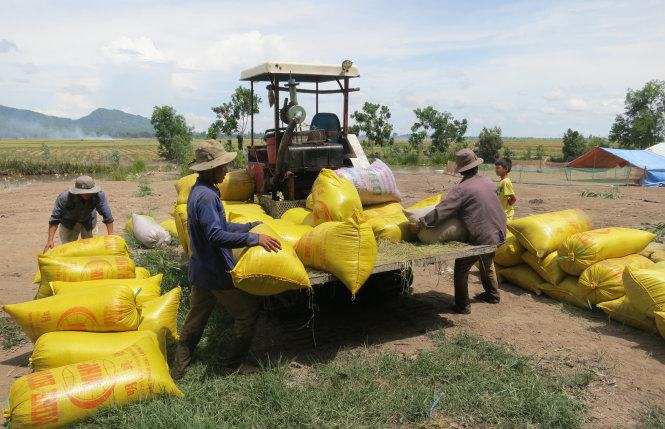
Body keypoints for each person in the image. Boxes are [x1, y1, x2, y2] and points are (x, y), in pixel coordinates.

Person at [170, 140, 282, 380]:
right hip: (215, 270)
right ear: (210, 169)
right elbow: (215, 235)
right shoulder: (207, 197)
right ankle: (233, 364)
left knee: (196, 317)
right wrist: (254, 239)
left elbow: (218, 226)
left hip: (200, 269)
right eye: (223, 167)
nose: (227, 171)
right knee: (248, 312)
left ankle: (178, 368)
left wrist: (247, 226)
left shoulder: (200, 191)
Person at [410, 149, 506, 314]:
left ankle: (462, 305)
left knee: (462, 266)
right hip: (500, 232)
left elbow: (442, 211)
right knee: (486, 260)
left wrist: (421, 224)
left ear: (461, 169)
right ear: (476, 166)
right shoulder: (489, 182)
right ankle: (493, 294)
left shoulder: (461, 190)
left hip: (482, 236)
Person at [44, 175, 114, 253]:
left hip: (89, 221)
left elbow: (108, 216)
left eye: (89, 192)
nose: (87, 194)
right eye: (83, 192)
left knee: (90, 249)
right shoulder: (65, 198)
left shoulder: (98, 195)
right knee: (68, 250)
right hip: (68, 223)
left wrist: (110, 237)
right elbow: (54, 219)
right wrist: (50, 240)